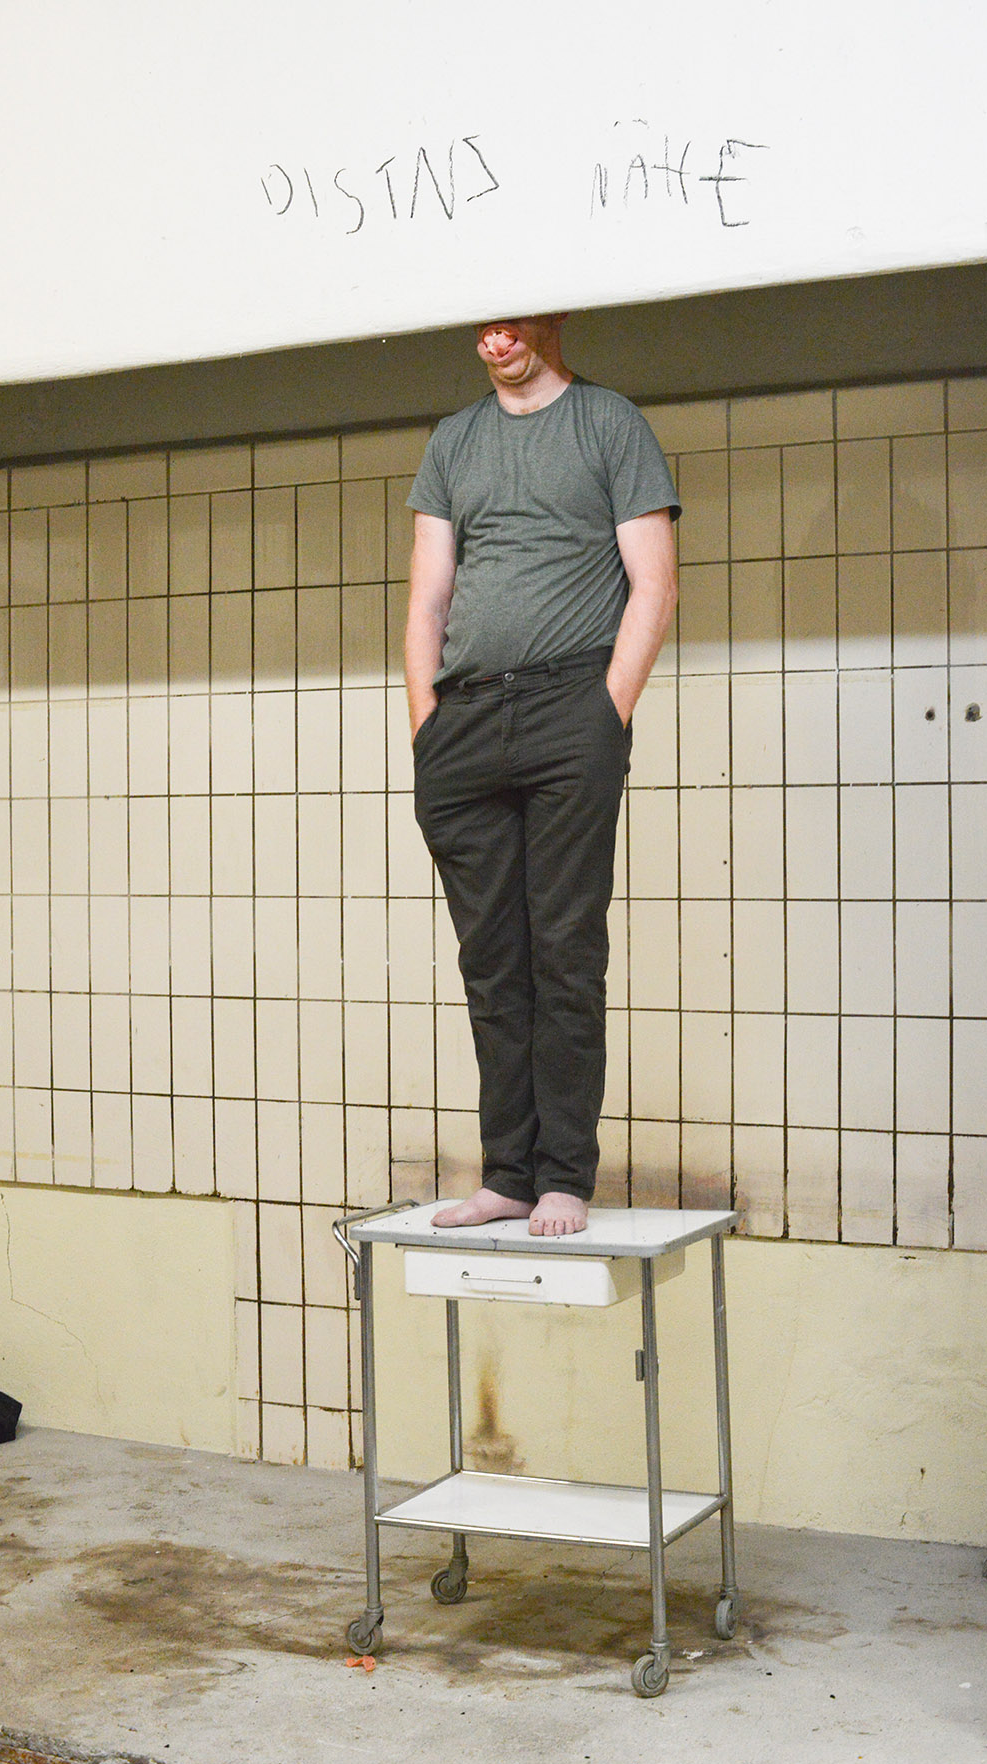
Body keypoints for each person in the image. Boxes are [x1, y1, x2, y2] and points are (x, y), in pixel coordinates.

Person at [405, 314, 680, 1236]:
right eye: (482, 327)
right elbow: (428, 597)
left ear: (552, 318)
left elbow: (654, 583)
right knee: (492, 963)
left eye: (512, 322)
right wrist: (426, 727)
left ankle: (564, 1175)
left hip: (571, 706)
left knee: (564, 950)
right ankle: (508, 1175)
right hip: (465, 719)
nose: (495, 341)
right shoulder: (454, 440)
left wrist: (607, 712)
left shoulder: (609, 422)